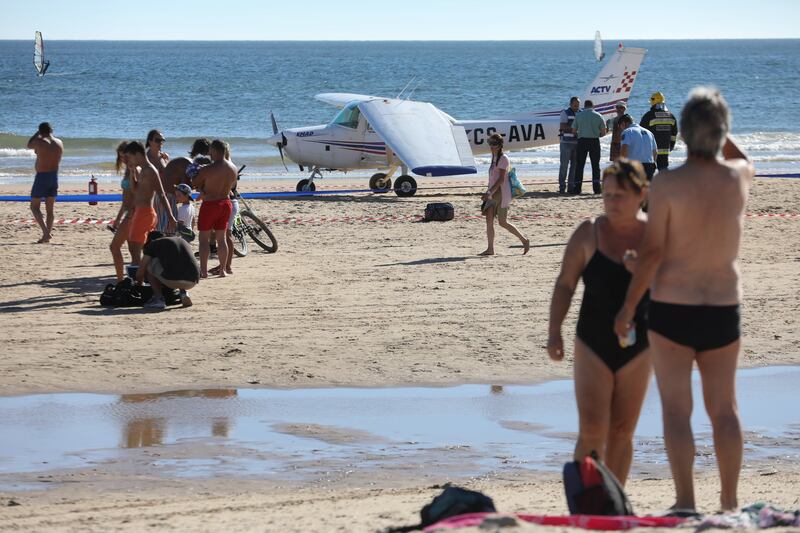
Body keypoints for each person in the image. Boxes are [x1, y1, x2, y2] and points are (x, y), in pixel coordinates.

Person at [614, 87, 755, 513]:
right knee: (724, 409)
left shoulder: (668, 184)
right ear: (721, 131)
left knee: (677, 411)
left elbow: (654, 254)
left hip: (674, 306)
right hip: (721, 306)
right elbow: (740, 153)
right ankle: (729, 503)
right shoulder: (738, 176)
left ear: (683, 134)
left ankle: (686, 501)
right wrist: (718, 127)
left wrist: (626, 307)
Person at [548, 159, 651, 486]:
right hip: (592, 341)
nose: (612, 202)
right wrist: (554, 332)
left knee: (622, 431)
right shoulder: (588, 232)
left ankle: (614, 505)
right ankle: (585, 504)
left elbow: (677, 287)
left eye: (620, 195)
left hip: (639, 346)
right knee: (592, 430)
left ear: (642, 194)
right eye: (607, 195)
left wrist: (645, 273)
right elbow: (565, 283)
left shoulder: (655, 235)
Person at [124, 141, 177, 266]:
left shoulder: (151, 170)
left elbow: (162, 194)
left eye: (130, 157)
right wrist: (132, 174)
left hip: (145, 212)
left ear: (137, 154)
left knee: (136, 249)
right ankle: (141, 275)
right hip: (139, 212)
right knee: (133, 247)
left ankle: (139, 278)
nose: (129, 160)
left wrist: (170, 216)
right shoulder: (142, 170)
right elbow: (136, 190)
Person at [479, 133, 530, 256]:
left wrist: (490, 192)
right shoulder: (494, 157)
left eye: (494, 144)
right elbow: (493, 177)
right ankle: (490, 249)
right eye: (490, 143)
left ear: (500, 145)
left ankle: (524, 240)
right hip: (492, 192)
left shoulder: (503, 158)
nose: (492, 146)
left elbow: (501, 179)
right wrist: (488, 191)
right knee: (489, 220)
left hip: (501, 193)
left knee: (502, 222)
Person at [193, 140, 237, 277]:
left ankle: (204, 271)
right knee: (221, 238)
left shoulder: (209, 168)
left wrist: (201, 186)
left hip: (210, 204)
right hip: (225, 203)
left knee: (204, 239)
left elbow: (194, 182)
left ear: (215, 150)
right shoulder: (233, 168)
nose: (209, 153)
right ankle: (223, 270)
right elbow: (231, 186)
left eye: (211, 150)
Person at [136, 231, 199, 310]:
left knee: (149, 264)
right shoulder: (181, 240)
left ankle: (158, 299)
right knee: (178, 262)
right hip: (193, 280)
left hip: (173, 280)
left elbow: (140, 271)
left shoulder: (153, 243)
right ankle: (183, 292)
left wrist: (139, 284)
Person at [27, 122, 63, 243]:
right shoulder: (59, 143)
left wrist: (37, 134)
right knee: (50, 209)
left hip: (42, 177)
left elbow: (29, 144)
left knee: (34, 206)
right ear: (51, 131)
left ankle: (46, 233)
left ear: (41, 132)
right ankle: (47, 234)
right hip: (54, 176)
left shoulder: (40, 142)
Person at [109, 142, 137, 281]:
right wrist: (118, 219)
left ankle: (120, 281)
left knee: (115, 247)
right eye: (121, 157)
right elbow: (125, 200)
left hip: (134, 214)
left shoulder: (135, 169)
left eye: (125, 156)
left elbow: (138, 193)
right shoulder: (129, 170)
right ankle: (135, 281)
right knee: (134, 251)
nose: (123, 160)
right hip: (129, 213)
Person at [210, 144, 238, 276]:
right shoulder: (229, 166)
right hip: (230, 202)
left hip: (228, 202)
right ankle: (225, 265)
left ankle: (227, 266)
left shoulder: (226, 166)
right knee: (225, 236)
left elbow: (228, 189)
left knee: (225, 236)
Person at [571, 100, 607, 194]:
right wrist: (596, 134)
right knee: (595, 165)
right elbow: (603, 132)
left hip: (582, 141)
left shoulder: (579, 115)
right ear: (593, 106)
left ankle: (577, 188)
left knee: (580, 165)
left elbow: (574, 130)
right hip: (594, 141)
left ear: (584, 106)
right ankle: (596, 188)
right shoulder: (598, 116)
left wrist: (580, 133)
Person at [640, 92, 678, 171]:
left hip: (651, 150)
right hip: (665, 150)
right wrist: (671, 146)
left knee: (648, 172)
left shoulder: (648, 115)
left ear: (653, 102)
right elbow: (674, 134)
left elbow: (641, 132)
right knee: (663, 172)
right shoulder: (671, 116)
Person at [145, 130, 173, 233]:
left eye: (162, 141)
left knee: (168, 229)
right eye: (157, 140)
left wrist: (167, 160)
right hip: (154, 197)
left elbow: (169, 175)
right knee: (155, 229)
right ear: (150, 141)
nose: (160, 143)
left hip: (167, 195)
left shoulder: (163, 157)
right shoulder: (146, 159)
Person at [619, 114, 658, 181]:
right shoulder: (649, 132)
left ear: (623, 123)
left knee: (633, 189)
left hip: (634, 166)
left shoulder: (627, 131)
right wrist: (653, 163)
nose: (621, 129)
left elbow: (624, 149)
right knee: (646, 189)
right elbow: (655, 151)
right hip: (649, 165)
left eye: (621, 127)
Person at [558, 96, 580, 194]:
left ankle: (571, 187)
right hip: (566, 142)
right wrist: (574, 129)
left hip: (577, 143)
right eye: (575, 105)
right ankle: (562, 187)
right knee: (564, 166)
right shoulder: (565, 112)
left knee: (574, 166)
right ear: (570, 104)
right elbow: (562, 126)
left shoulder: (581, 113)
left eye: (578, 105)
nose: (576, 107)